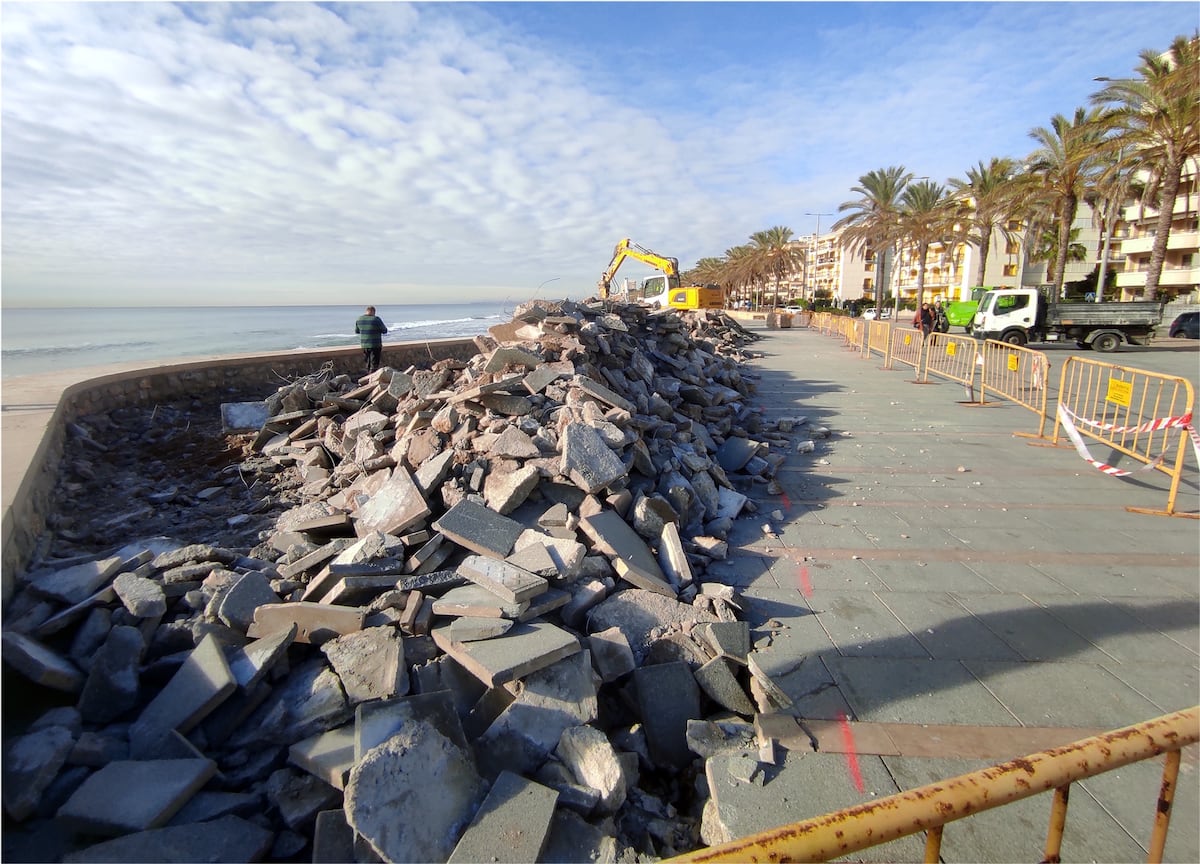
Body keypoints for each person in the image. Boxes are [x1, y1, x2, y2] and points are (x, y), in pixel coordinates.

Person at [355, 305, 388, 373]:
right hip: (375, 344)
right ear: (373, 312)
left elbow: (357, 331)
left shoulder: (359, 319)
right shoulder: (376, 319)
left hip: (364, 345)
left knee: (367, 363)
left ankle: (367, 377)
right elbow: (384, 330)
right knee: (374, 364)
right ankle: (371, 379)